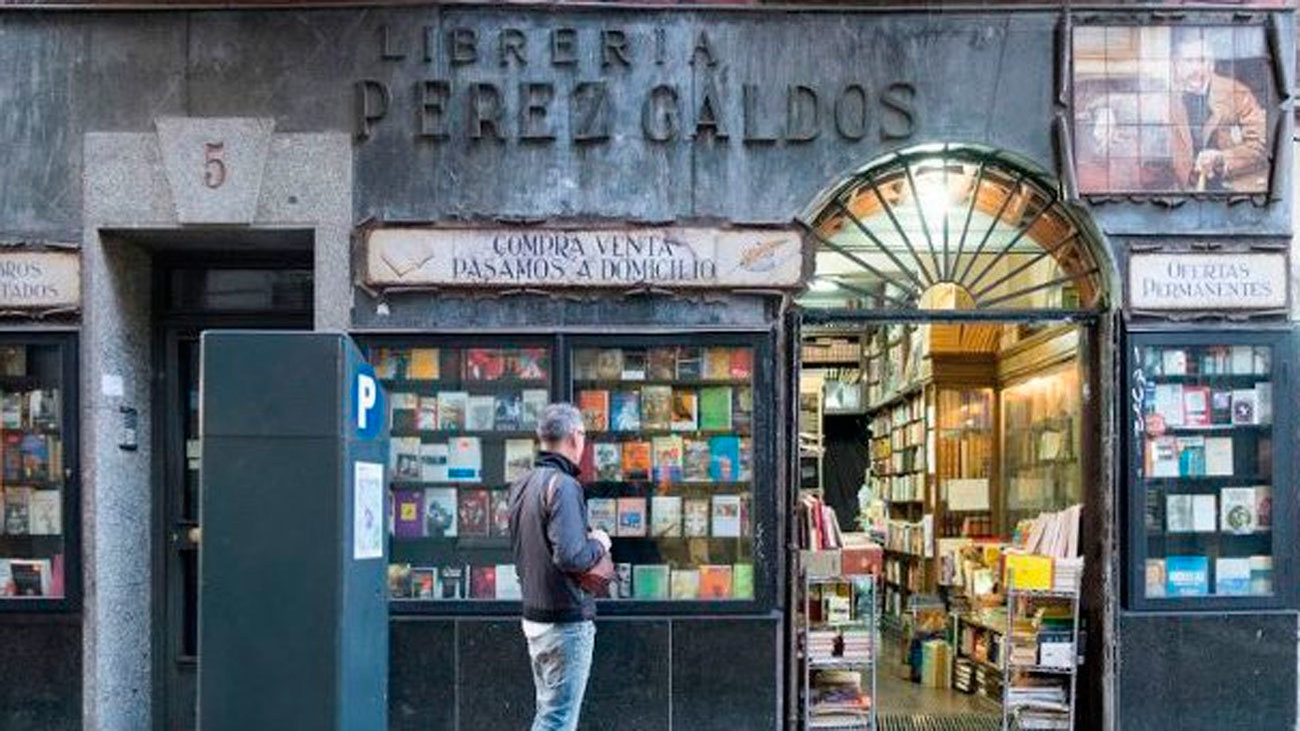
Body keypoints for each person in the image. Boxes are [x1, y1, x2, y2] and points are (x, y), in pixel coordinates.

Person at [508, 403, 611, 731]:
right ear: (575, 437)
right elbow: (571, 557)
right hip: (565, 622)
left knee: (548, 715)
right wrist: (600, 543)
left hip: (536, 617)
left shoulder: (523, 483)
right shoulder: (564, 486)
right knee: (557, 722)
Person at [1168, 31, 1267, 193]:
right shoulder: (1167, 100)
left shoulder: (1237, 93)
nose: (1195, 68)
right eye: (1188, 61)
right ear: (1176, 65)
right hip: (1186, 194)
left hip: (1233, 192)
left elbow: (1260, 146)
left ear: (1211, 65)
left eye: (1201, 61)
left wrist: (1222, 158)